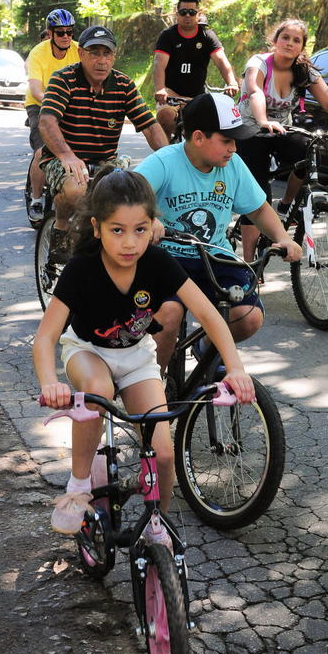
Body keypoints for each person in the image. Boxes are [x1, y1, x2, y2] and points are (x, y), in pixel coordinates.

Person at [33, 166, 255, 537]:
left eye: (139, 229)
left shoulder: (157, 262)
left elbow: (209, 316)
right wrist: (49, 382)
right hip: (88, 350)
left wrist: (236, 369)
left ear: (153, 225)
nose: (129, 243)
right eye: (117, 230)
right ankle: (77, 486)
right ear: (97, 226)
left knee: (164, 454)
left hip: (137, 357)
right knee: (97, 391)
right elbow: (45, 338)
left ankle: (158, 525)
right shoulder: (82, 268)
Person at [135, 92, 302, 372]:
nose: (234, 148)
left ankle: (207, 349)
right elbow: (127, 192)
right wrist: (146, 217)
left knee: (248, 316)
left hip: (213, 256)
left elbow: (259, 209)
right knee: (169, 315)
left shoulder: (232, 165)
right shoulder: (165, 161)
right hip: (167, 259)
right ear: (198, 137)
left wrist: (282, 237)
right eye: (227, 141)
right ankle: (155, 384)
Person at [237, 18, 328, 260]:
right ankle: (249, 263)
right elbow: (255, 92)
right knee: (257, 191)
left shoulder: (303, 70)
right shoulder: (259, 63)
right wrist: (264, 120)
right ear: (275, 41)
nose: (289, 43)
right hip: (250, 127)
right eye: (285, 37)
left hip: (281, 128)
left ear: (302, 48)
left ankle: (287, 203)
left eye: (296, 40)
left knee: (307, 151)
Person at [38, 24, 168, 259]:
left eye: (106, 53)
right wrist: (67, 155)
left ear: (113, 57)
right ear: (81, 54)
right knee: (76, 190)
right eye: (94, 53)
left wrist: (172, 157)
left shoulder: (123, 85)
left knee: (135, 195)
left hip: (105, 160)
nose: (101, 60)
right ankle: (60, 224)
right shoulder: (63, 79)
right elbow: (47, 122)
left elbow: (150, 126)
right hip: (64, 158)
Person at [153, 0, 239, 139]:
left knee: (210, 126)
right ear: (177, 14)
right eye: (183, 12)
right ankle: (165, 154)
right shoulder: (167, 36)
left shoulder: (207, 36)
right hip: (170, 95)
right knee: (165, 117)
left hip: (197, 97)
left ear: (198, 15)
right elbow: (159, 65)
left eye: (192, 12)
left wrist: (231, 82)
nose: (187, 15)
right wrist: (160, 89)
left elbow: (221, 62)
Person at [25, 9, 80, 222]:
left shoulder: (79, 50)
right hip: (41, 104)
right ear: (50, 34)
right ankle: (36, 199)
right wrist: (52, 102)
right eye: (60, 33)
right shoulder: (38, 53)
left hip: (70, 105)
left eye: (69, 32)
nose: (66, 36)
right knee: (42, 150)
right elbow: (37, 89)